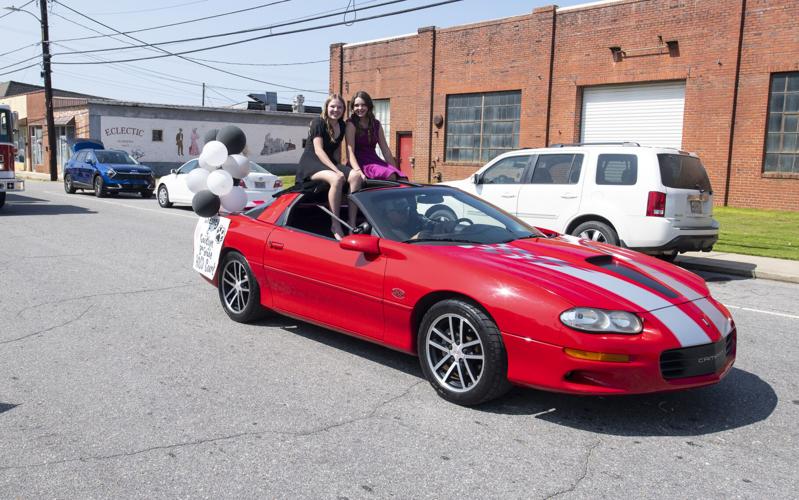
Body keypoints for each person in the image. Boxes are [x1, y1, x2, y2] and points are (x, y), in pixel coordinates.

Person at [296, 94, 364, 240]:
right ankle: (335, 224)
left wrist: (342, 167)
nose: (336, 110)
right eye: (332, 106)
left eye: (339, 107)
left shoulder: (342, 125)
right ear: (326, 107)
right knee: (336, 178)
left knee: (356, 176)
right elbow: (318, 150)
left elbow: (337, 150)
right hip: (311, 162)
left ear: (343, 110)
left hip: (329, 162)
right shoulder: (318, 122)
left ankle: (351, 223)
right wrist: (337, 170)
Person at [346, 91, 406, 181]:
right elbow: (350, 153)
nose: (360, 108)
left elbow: (385, 150)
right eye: (356, 105)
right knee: (390, 176)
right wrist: (358, 171)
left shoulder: (376, 124)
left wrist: (396, 170)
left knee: (402, 179)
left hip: (374, 160)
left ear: (369, 106)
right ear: (352, 107)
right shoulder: (351, 124)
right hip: (359, 163)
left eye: (363, 105)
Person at [379, 196, 456, 242]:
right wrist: (413, 240)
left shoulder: (414, 219)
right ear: (387, 213)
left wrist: (442, 226)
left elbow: (430, 223)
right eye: (400, 211)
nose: (405, 213)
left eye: (406, 208)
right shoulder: (379, 228)